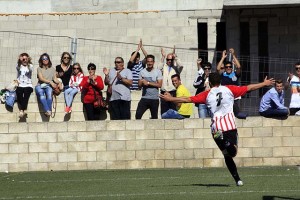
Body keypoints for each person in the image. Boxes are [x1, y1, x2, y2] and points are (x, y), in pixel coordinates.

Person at [160, 72, 275, 186]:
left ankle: (238, 180)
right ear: (220, 81)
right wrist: (264, 83)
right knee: (233, 152)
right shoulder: (229, 89)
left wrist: (171, 99)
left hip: (215, 129)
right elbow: (249, 88)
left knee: (226, 154)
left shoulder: (206, 94)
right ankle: (226, 142)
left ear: (209, 83)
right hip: (229, 127)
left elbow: (188, 99)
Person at [217, 48, 247, 119]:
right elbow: (218, 69)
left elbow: (239, 67)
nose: (228, 68)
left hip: (235, 95)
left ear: (232, 68)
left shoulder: (235, 74)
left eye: (230, 67)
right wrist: (223, 58)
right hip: (226, 95)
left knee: (235, 107)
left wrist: (233, 55)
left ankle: (238, 115)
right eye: (226, 67)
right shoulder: (223, 74)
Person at [135, 54, 162, 119]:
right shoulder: (142, 72)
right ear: (146, 62)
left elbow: (159, 85)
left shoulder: (158, 72)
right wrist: (140, 83)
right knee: (138, 115)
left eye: (151, 61)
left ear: (153, 62)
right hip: (144, 98)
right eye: (148, 61)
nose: (149, 63)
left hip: (154, 99)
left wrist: (148, 83)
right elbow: (139, 87)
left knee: (154, 117)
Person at [159, 46, 184, 115]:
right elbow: (158, 68)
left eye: (171, 59)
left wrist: (175, 57)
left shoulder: (176, 68)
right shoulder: (164, 67)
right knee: (164, 112)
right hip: (164, 92)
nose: (169, 61)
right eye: (168, 59)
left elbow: (181, 66)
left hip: (173, 92)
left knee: (173, 111)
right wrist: (163, 57)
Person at [16, 53, 33, 118]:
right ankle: (24, 110)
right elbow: (17, 67)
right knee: (19, 93)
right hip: (20, 84)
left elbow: (30, 70)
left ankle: (21, 110)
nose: (24, 60)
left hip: (28, 85)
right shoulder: (19, 66)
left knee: (26, 94)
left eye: (26, 59)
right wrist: (19, 61)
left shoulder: (30, 66)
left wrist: (28, 62)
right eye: (23, 59)